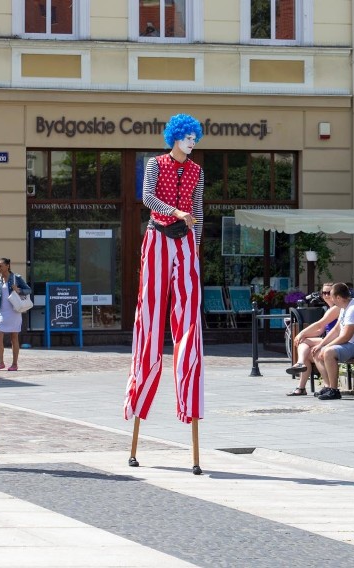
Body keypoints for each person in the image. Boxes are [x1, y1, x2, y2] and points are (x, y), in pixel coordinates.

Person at [124, 114, 205, 441]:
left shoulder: (198, 171)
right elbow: (147, 198)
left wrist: (195, 249)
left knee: (189, 319)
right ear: (174, 137)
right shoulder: (156, 164)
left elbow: (198, 211)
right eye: (186, 136)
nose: (191, 142)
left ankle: (189, 401)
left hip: (185, 241)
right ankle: (138, 395)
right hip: (158, 237)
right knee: (151, 313)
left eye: (194, 137)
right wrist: (174, 212)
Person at [310, 283, 354, 401]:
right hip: (351, 344)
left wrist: (327, 346)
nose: (331, 299)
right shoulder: (345, 308)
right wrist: (321, 345)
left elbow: (345, 336)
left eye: (332, 296)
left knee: (328, 352)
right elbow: (336, 330)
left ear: (338, 298)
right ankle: (328, 386)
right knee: (317, 351)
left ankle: (334, 391)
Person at [285, 283, 339, 396]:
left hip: (335, 340)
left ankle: (327, 385)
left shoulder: (336, 308)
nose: (326, 295)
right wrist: (303, 335)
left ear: (335, 294)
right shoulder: (329, 309)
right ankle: (301, 386)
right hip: (328, 339)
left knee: (307, 345)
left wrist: (302, 334)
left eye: (329, 293)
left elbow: (319, 325)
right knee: (306, 352)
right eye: (324, 293)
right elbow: (319, 331)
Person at [0, 258, 31, 372]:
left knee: (14, 337)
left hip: (14, 311)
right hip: (2, 312)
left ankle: (14, 364)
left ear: (8, 266)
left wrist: (18, 290)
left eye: (1, 265)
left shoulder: (16, 278)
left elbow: (29, 290)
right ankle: (1, 363)